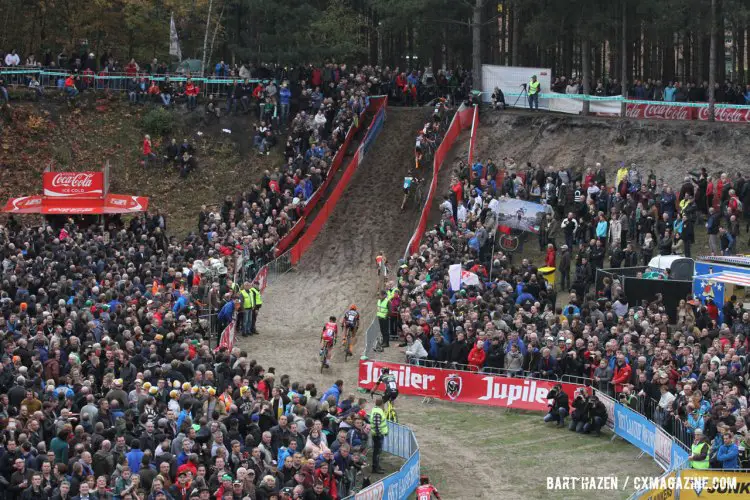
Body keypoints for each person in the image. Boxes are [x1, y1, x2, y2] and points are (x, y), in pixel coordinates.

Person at [369, 396, 388, 474]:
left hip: (377, 434)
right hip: (377, 435)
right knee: (377, 452)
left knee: (377, 452)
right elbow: (377, 425)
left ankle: (377, 466)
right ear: (382, 403)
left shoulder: (376, 410)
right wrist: (379, 434)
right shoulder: (378, 412)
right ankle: (375, 468)